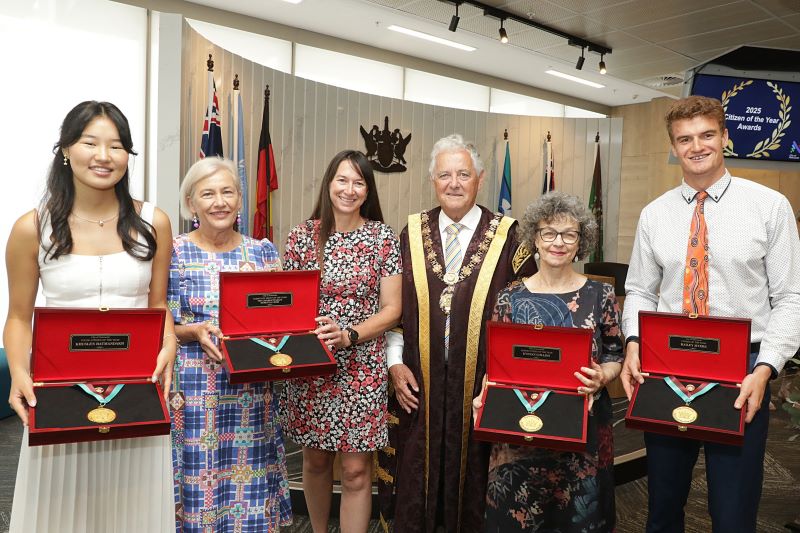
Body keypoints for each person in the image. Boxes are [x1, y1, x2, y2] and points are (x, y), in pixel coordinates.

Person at [620, 95, 800, 532]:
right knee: (662, 504)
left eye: (705, 135)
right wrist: (632, 344)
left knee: (733, 510)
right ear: (674, 147)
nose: (696, 146)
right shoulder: (654, 214)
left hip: (743, 370)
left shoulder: (770, 207)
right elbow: (640, 289)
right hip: (666, 365)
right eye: (684, 139)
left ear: (725, 137)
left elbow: (791, 297)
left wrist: (765, 369)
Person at [4, 100, 176, 532]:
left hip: (136, 391)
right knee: (59, 512)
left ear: (128, 155)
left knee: (131, 512)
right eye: (90, 142)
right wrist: (19, 374)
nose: (103, 156)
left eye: (116, 146)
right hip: (58, 392)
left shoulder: (153, 221)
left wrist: (169, 341)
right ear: (65, 149)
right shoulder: (32, 227)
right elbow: (19, 317)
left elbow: (158, 306)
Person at [381, 134, 536, 533]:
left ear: (480, 178)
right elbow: (397, 312)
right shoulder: (410, 233)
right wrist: (394, 365)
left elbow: (530, 310)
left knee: (479, 478)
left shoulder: (510, 237)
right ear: (432, 180)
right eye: (445, 174)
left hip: (483, 382)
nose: (454, 183)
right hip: (420, 381)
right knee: (418, 474)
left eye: (463, 174)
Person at [472, 191, 623, 532]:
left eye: (569, 234)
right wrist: (484, 399)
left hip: (581, 440)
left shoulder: (600, 295)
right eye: (549, 233)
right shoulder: (510, 297)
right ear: (534, 240)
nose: (559, 242)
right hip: (518, 436)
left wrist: (603, 376)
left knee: (577, 520)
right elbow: (496, 364)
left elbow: (615, 353)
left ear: (580, 241)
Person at [280, 149, 402, 533]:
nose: (349, 190)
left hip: (362, 368)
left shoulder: (382, 237)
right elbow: (287, 303)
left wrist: (349, 335)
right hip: (312, 365)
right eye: (342, 180)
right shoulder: (302, 237)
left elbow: (393, 309)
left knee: (354, 470)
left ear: (368, 191)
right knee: (315, 461)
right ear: (329, 184)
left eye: (359, 182)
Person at [168, 157, 292, 532]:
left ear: (240, 200)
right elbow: (159, 325)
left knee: (249, 484)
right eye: (208, 194)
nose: (219, 202)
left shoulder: (264, 253)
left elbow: (282, 321)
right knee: (197, 480)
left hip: (250, 394)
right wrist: (194, 331)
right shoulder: (172, 252)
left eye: (228, 192)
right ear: (191, 203)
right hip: (193, 393)